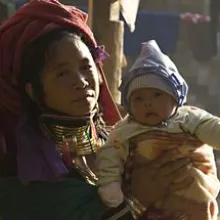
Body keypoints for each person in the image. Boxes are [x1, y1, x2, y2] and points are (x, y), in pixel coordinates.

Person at [0, 1, 214, 219]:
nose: (81, 81)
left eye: (86, 67)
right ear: (33, 90)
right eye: (62, 73)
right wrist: (136, 197)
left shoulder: (125, 137)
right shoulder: (24, 172)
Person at [97, 40, 220, 219]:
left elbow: (211, 128)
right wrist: (110, 184)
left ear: (174, 99)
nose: (148, 103)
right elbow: (109, 156)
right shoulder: (125, 130)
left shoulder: (188, 117)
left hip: (196, 198)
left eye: (157, 95)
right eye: (138, 98)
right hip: (151, 207)